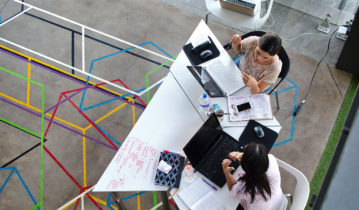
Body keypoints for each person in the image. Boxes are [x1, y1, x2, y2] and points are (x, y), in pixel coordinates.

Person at [222, 143, 283, 210]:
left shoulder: (246, 188)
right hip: (277, 201)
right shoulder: (271, 159)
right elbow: (257, 159)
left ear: (244, 167)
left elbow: (233, 191)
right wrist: (240, 155)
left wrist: (227, 173)